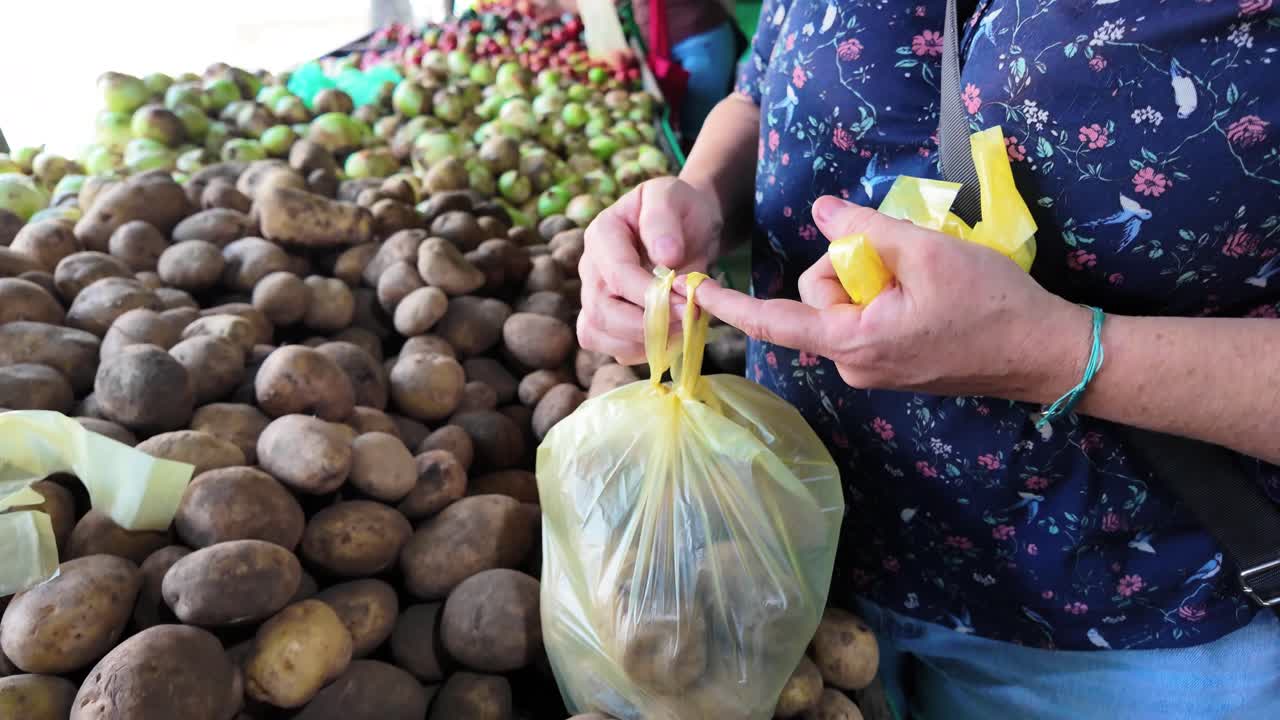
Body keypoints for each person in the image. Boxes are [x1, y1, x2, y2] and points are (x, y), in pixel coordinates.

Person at [577, 1, 1280, 718]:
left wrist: (1058, 354)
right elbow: (765, 80)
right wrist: (698, 194)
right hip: (792, 555)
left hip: (1121, 632)